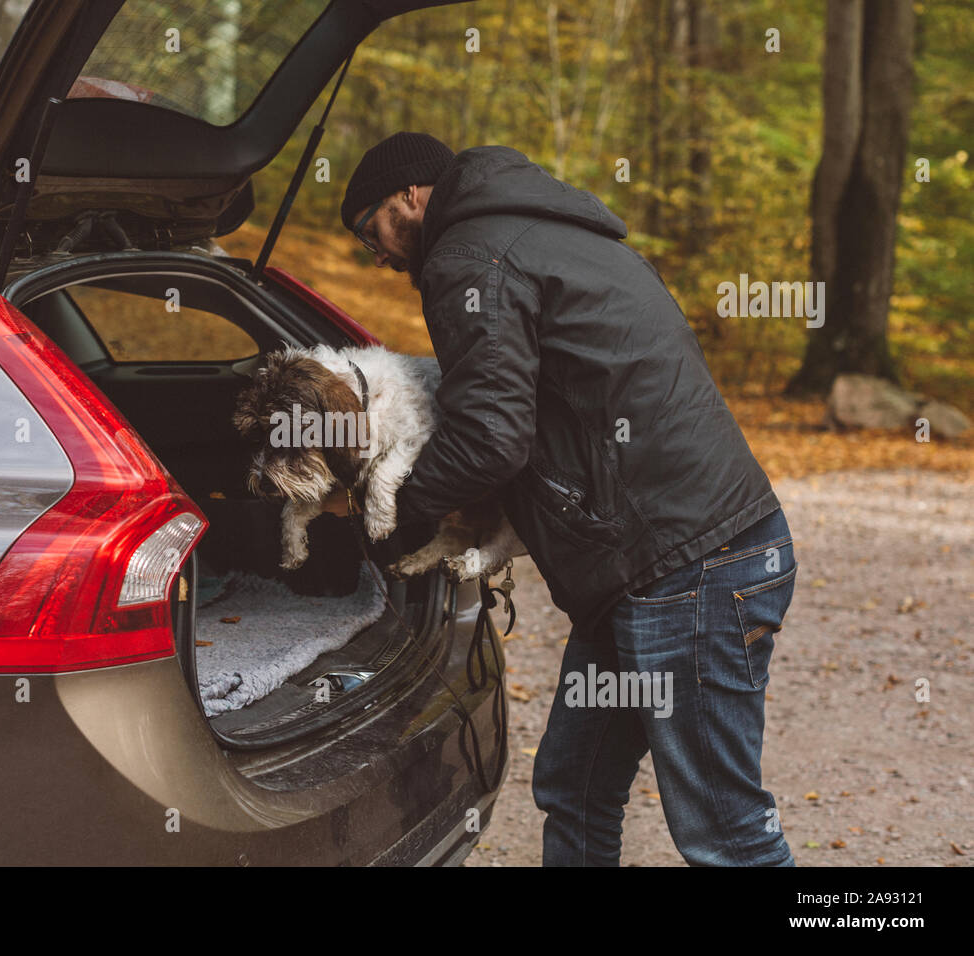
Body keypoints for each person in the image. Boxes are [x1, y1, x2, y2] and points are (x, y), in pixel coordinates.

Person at [322, 131, 798, 866]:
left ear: (411, 196)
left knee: (724, 832)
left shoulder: (466, 257)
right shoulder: (549, 229)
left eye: (370, 229)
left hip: (688, 569)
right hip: (658, 563)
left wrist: (391, 517)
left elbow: (490, 435)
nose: (375, 254)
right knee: (575, 785)